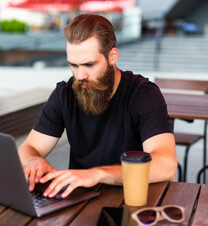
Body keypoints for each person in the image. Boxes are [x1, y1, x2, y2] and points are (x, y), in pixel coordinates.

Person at [19, 14, 177, 199]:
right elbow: (29, 147)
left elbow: (166, 165)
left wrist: (97, 174)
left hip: (131, 200)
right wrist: (34, 160)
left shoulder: (143, 94)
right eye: (74, 65)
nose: (80, 75)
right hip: (78, 202)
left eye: (89, 64)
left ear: (112, 56)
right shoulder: (65, 93)